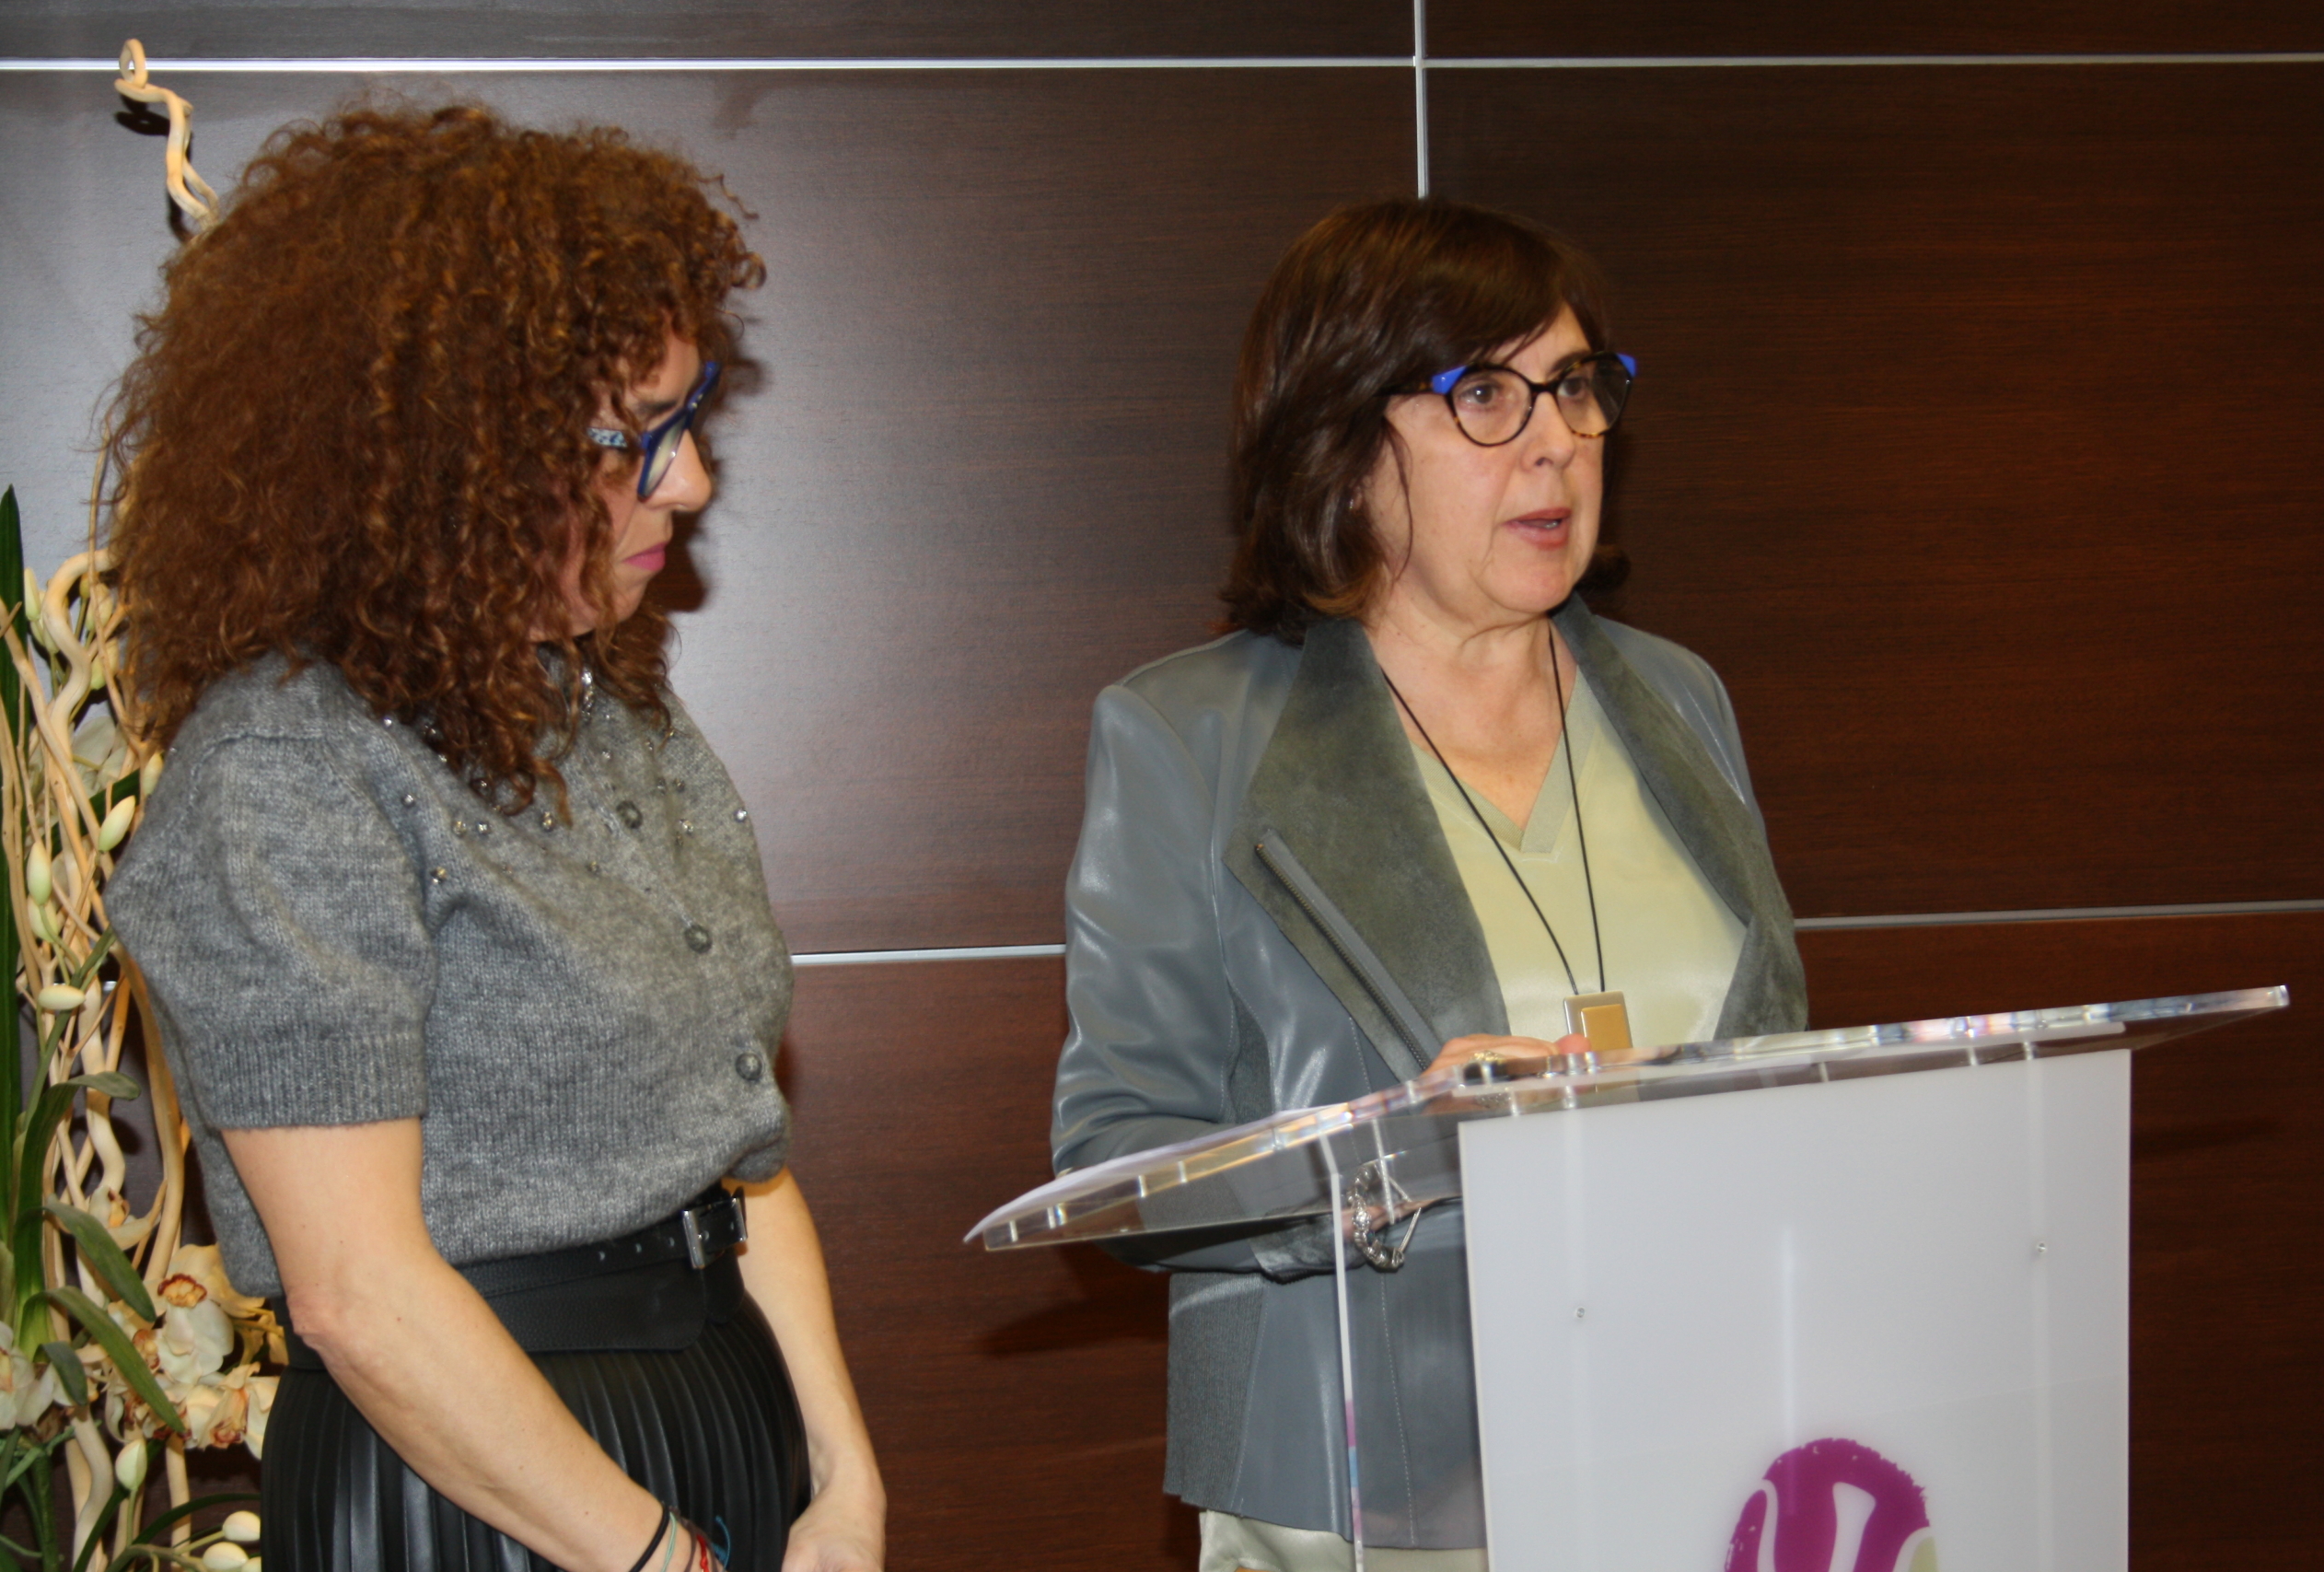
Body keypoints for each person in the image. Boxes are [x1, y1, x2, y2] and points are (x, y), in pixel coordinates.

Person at [104, 107, 886, 1572]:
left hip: (721, 1426)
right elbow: (358, 1298)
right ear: (452, 453)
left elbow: (737, 1165)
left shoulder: (617, 714)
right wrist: (655, 1558)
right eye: (635, 438)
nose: (691, 481)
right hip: (476, 1494)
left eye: (688, 419)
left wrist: (845, 1489)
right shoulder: (288, 768)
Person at [1050, 198, 1808, 1571]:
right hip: (1370, 1497)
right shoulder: (1188, 735)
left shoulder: (1679, 699)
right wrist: (1389, 1153)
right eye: (1487, 396)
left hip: (1702, 1454)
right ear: (1345, 448)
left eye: (1576, 388)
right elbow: (1113, 1164)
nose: (1556, 441)